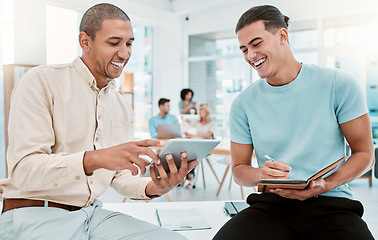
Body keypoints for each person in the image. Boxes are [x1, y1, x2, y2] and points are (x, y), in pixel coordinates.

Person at [0, 3, 197, 240]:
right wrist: (96, 158)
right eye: (114, 43)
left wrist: (155, 187)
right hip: (34, 212)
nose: (125, 53)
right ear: (85, 42)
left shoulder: (121, 105)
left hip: (91, 214)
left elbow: (118, 177)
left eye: (129, 43)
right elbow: (24, 170)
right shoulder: (41, 81)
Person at [213, 5, 375, 240]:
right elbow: (239, 171)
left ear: (282, 36)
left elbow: (365, 155)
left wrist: (326, 184)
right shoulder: (243, 103)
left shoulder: (338, 84)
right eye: (244, 49)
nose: (250, 55)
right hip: (272, 205)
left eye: (257, 44)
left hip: (332, 204)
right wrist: (260, 173)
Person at [183, 104, 217, 189]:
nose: (199, 111)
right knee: (187, 155)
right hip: (196, 146)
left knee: (193, 155)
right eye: (199, 109)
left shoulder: (212, 123)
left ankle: (190, 179)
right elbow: (191, 132)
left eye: (201, 109)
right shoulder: (195, 122)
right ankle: (189, 179)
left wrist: (193, 136)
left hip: (207, 148)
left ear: (206, 111)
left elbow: (207, 135)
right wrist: (188, 134)